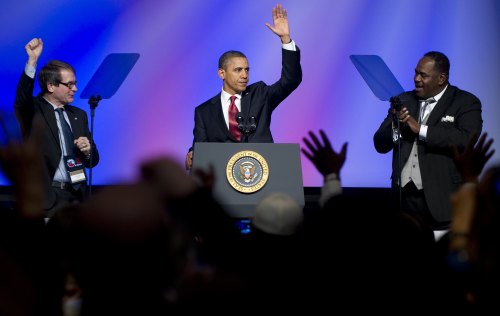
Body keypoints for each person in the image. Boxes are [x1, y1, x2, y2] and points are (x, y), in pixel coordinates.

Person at [373, 51, 483, 230]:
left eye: (423, 75)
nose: (416, 79)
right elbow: (379, 143)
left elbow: (465, 139)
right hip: (402, 200)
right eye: (416, 72)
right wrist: (397, 127)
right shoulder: (403, 100)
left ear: (441, 78)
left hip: (441, 200)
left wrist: (421, 130)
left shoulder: (465, 102)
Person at [185, 4, 302, 170]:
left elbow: (291, 80)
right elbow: (200, 148)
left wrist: (285, 40)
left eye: (247, 69)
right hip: (222, 182)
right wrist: (192, 154)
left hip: (263, 174)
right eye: (238, 70)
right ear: (221, 73)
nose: (244, 75)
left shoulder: (260, 94)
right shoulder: (204, 112)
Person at [14, 38, 99, 219]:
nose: (75, 89)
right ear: (51, 86)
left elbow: (93, 161)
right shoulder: (34, 110)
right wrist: (32, 61)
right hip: (47, 200)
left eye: (75, 83)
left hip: (77, 199)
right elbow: (22, 98)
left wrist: (88, 150)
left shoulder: (79, 115)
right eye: (69, 84)